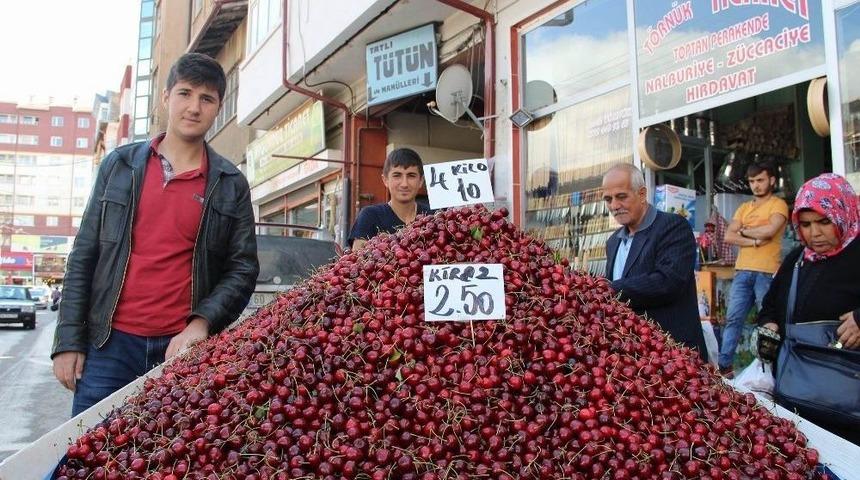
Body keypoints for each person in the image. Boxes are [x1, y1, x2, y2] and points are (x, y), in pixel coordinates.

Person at [51, 53, 260, 416]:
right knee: (87, 459)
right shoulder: (119, 166)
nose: (194, 107)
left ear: (219, 108)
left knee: (168, 460)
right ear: (165, 98)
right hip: (108, 346)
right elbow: (84, 254)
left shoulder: (230, 183)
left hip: (181, 350)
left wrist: (201, 324)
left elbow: (242, 267)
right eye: (185, 93)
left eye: (206, 99)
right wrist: (68, 341)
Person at [758, 173, 860, 444]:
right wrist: (770, 324)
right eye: (805, 224)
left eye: (824, 222)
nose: (814, 233)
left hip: (851, 413)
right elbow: (770, 306)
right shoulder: (797, 260)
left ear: (843, 213)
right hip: (799, 403)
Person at [603, 164, 708, 359]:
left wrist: (608, 288)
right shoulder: (613, 242)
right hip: (634, 356)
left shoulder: (673, 227)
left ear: (642, 194)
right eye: (608, 199)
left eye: (621, 196)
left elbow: (668, 281)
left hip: (673, 355)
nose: (614, 206)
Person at [719, 162, 789, 377]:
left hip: (767, 272)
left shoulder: (778, 204)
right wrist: (755, 241)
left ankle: (770, 368)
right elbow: (729, 236)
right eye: (752, 181)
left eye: (760, 180)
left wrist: (745, 231)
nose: (756, 186)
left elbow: (771, 230)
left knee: (768, 323)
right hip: (742, 270)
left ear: (771, 180)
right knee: (733, 319)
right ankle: (724, 367)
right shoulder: (744, 208)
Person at [349, 148, 431, 249]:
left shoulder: (432, 216)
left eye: (411, 176)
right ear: (385, 180)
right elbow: (357, 259)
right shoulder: (370, 216)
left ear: (421, 181)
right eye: (397, 176)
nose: (404, 184)